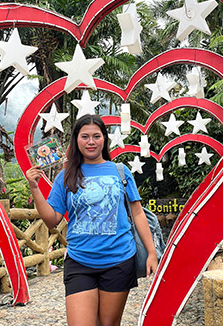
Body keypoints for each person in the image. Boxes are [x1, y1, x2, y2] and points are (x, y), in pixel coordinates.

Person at [25, 114, 158, 326]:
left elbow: (137, 213)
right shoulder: (65, 176)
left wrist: (151, 252)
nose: (91, 141)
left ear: (104, 139)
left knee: (108, 324)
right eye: (85, 136)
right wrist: (34, 188)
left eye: (96, 136)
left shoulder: (120, 171)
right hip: (79, 261)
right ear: (76, 140)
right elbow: (52, 220)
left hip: (119, 260)